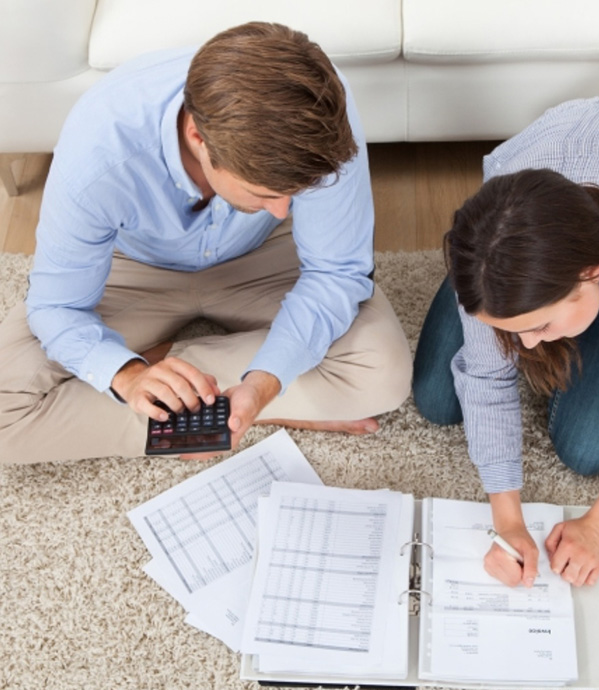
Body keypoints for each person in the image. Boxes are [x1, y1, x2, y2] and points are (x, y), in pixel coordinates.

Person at [0, 22, 412, 464]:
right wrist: (127, 374)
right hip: (131, 267)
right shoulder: (98, 147)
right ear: (197, 137)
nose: (283, 210)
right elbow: (58, 307)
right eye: (263, 192)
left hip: (268, 256)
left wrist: (263, 383)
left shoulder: (322, 113)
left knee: (383, 370)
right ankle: (278, 399)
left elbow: (335, 272)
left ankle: (226, 397)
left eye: (294, 194)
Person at [413, 97, 599, 588]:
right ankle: (505, 297)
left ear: (593, 275)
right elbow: (485, 375)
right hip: (541, 224)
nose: (524, 347)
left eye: (539, 326)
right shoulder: (499, 203)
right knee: (437, 397)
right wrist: (507, 519)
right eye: (514, 327)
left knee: (587, 448)